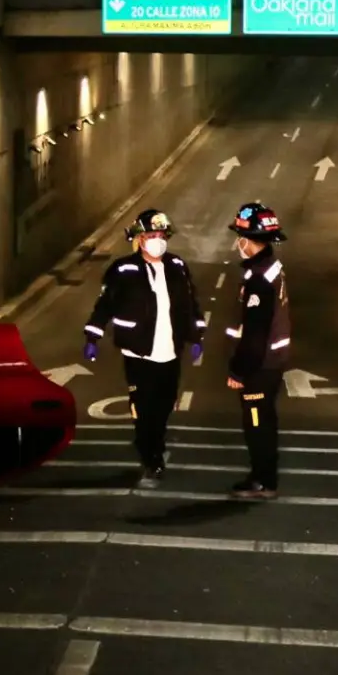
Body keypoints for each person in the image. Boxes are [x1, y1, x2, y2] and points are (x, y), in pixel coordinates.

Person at [83, 209, 206, 489]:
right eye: (151, 235)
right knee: (144, 408)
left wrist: (196, 335)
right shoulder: (123, 269)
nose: (157, 240)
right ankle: (150, 457)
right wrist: (93, 335)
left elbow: (191, 303)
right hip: (138, 353)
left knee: (163, 406)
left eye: (161, 235)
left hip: (170, 351)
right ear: (139, 239)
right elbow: (105, 305)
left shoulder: (178, 266)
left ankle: (154, 443)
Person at [224, 201, 291, 500]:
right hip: (273, 362)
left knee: (257, 425)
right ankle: (263, 477)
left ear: (249, 241)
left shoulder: (258, 280)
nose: (238, 243)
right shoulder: (271, 267)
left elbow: (254, 333)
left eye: (241, 236)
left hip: (259, 367)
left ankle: (263, 482)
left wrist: (239, 371)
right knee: (266, 422)